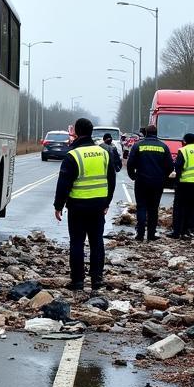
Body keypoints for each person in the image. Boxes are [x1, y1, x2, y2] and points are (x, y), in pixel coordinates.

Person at [54, 117, 117, 290]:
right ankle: (97, 279)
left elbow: (64, 183)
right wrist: (107, 202)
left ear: (77, 132)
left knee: (77, 243)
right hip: (98, 206)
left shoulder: (73, 155)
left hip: (78, 207)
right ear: (91, 132)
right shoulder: (104, 153)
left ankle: (78, 281)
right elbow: (111, 179)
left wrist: (58, 206)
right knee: (97, 242)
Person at [126, 123, 175, 241]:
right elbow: (169, 166)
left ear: (145, 133)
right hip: (157, 182)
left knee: (141, 207)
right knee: (153, 209)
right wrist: (164, 178)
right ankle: (151, 234)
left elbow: (130, 163)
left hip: (141, 181)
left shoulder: (138, 146)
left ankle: (140, 234)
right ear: (156, 134)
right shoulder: (163, 147)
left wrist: (133, 176)